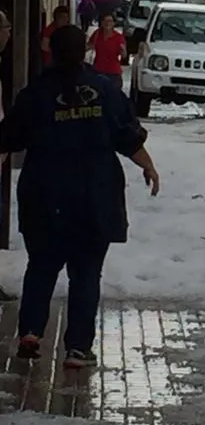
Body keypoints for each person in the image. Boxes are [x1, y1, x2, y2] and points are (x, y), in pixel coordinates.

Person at [0, 25, 160, 369]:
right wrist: (148, 166)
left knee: (41, 267)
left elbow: (9, 137)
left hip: (44, 194)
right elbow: (128, 136)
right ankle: (77, 348)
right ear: (84, 51)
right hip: (94, 196)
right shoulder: (105, 90)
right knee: (86, 274)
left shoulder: (35, 95)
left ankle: (30, 331)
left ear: (52, 53)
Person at [89, 13, 128, 84]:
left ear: (114, 23)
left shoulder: (118, 37)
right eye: (105, 21)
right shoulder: (97, 34)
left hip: (113, 73)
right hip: (97, 71)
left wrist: (123, 50)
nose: (107, 23)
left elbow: (124, 55)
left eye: (110, 21)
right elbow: (88, 46)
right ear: (101, 22)